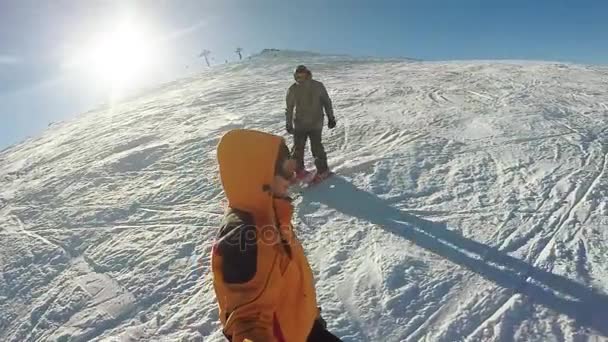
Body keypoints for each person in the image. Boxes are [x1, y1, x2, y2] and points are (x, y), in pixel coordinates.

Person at [213, 129, 342, 342]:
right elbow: (245, 325)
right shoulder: (244, 236)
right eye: (284, 170)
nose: (292, 178)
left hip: (304, 330)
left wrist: (310, 317)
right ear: (257, 173)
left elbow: (286, 281)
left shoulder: (271, 216)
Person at [285, 65, 336, 182]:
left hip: (315, 123)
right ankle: (299, 170)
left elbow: (326, 102)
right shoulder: (293, 89)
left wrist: (331, 117)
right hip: (300, 124)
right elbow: (289, 108)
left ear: (307, 74)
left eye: (302, 75)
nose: (299, 78)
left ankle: (323, 171)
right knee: (298, 148)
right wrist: (288, 123)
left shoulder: (318, 86)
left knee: (316, 147)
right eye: (297, 76)